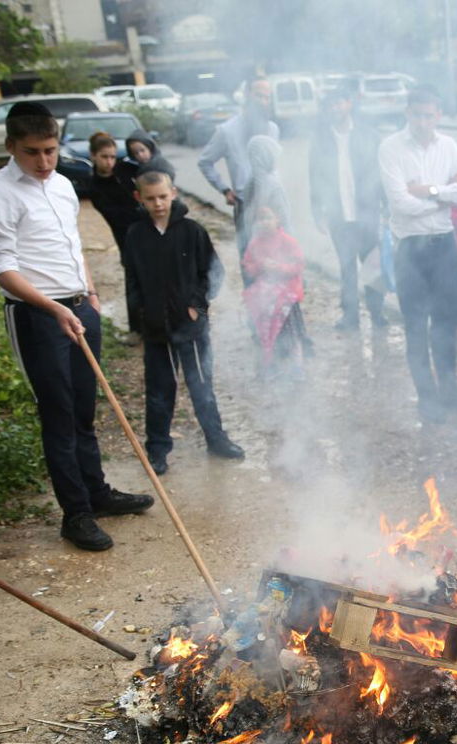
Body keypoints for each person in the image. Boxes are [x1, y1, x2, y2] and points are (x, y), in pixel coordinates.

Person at [0, 102, 154, 552]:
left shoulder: (62, 185)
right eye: (32, 152)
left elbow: (72, 246)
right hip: (37, 315)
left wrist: (89, 293)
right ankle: (76, 514)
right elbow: (4, 269)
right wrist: (53, 309)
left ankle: (97, 493)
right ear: (11, 146)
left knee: (83, 410)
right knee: (58, 416)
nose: (44, 161)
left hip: (79, 306)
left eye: (50, 150)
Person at [122, 171, 242, 477]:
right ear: (139, 198)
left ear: (173, 193)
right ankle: (157, 450)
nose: (158, 203)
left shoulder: (192, 231)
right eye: (150, 198)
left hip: (191, 328)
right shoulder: (135, 235)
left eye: (163, 196)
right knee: (159, 391)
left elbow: (213, 273)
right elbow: (132, 281)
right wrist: (139, 316)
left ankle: (217, 439)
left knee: (202, 386)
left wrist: (197, 307)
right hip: (155, 330)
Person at [377, 85, 457, 423]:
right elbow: (400, 204)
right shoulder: (390, 148)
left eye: (429, 115)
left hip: (444, 245)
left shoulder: (448, 145)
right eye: (417, 115)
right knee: (416, 326)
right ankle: (426, 398)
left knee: (445, 323)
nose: (423, 122)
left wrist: (430, 190)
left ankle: (450, 390)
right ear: (408, 113)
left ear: (438, 115)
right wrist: (444, 198)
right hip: (411, 249)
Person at [309, 88, 385, 331]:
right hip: (338, 216)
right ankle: (350, 316)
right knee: (347, 267)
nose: (335, 108)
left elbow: (381, 175)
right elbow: (315, 178)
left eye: (339, 103)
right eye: (330, 104)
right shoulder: (320, 141)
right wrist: (317, 212)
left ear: (349, 103)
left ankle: (377, 313)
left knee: (373, 266)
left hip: (367, 214)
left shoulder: (368, 135)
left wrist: (387, 209)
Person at [198, 78, 280, 258]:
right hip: (246, 205)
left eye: (267, 97)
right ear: (247, 96)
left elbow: (274, 166)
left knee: (277, 257)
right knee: (249, 257)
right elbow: (205, 161)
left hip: (273, 203)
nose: (263, 101)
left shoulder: (272, 129)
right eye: (259, 96)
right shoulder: (227, 131)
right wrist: (224, 189)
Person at [84, 132, 143, 339]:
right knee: (134, 284)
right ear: (93, 156)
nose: (110, 162)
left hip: (148, 230)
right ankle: (137, 330)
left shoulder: (126, 170)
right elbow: (115, 216)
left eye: (112, 157)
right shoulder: (94, 186)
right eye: (104, 157)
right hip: (126, 239)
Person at [242, 203, 307, 373]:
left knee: (292, 334)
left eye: (268, 218)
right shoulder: (255, 243)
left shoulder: (288, 242)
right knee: (266, 332)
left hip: (287, 296)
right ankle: (270, 365)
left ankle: (296, 367)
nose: (265, 222)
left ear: (277, 220)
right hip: (265, 297)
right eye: (260, 219)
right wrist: (260, 266)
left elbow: (298, 265)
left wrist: (279, 267)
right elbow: (248, 265)